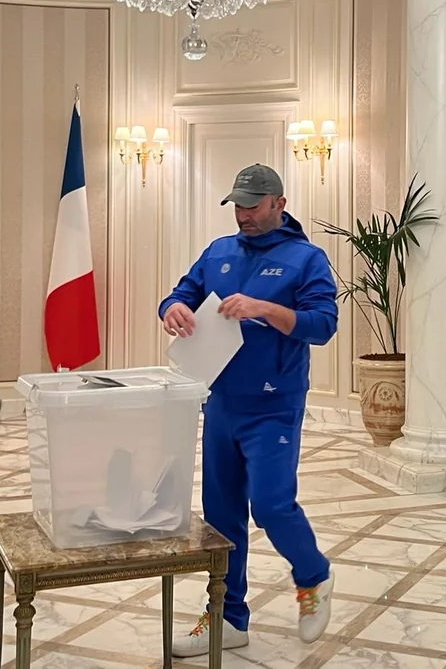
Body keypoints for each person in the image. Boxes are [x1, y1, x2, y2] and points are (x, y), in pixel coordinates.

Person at [159, 164, 339, 658]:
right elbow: (180, 294)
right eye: (237, 204)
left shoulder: (306, 259)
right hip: (220, 402)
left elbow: (322, 326)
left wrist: (263, 308)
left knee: (272, 504)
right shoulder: (217, 252)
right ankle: (227, 617)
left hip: (273, 405)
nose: (243, 214)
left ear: (279, 203)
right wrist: (170, 309)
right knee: (221, 516)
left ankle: (313, 577)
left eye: (253, 205)